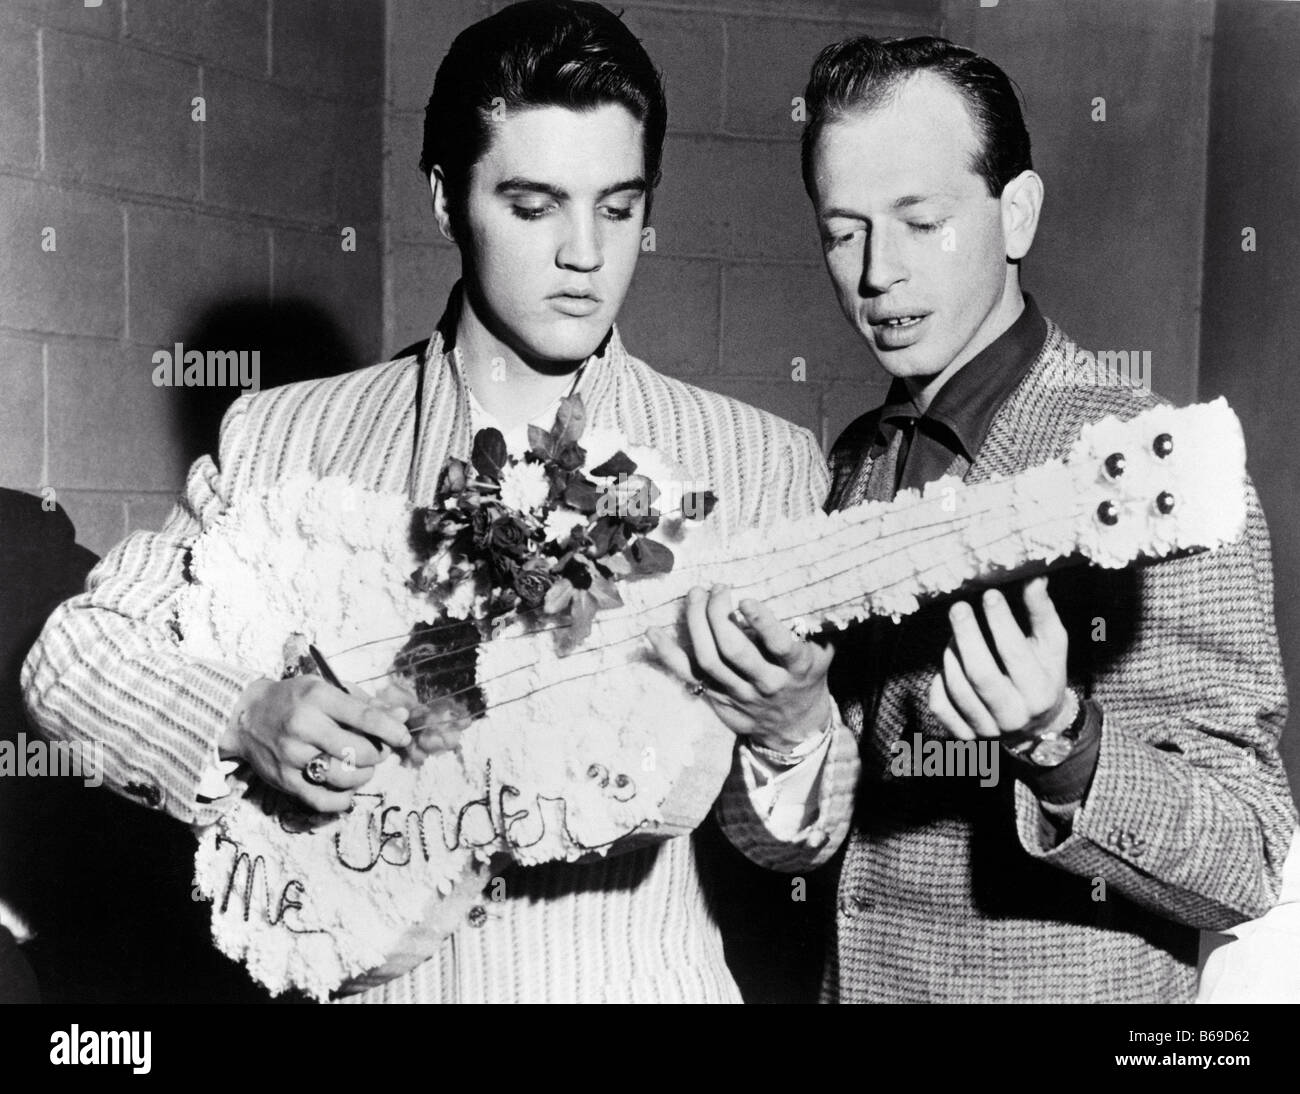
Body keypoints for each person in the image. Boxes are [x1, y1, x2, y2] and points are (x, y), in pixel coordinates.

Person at [22, 1, 837, 1004]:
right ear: (447, 199)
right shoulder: (286, 436)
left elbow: (797, 842)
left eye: (617, 207)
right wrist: (240, 718)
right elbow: (74, 653)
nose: (585, 253)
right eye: (534, 207)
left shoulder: (757, 462)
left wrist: (792, 729)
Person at [714, 35, 1297, 1002]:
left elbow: (1250, 851)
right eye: (842, 229)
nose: (877, 274)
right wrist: (789, 731)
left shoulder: (1163, 471)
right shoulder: (853, 460)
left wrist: (1063, 739)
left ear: (1015, 213)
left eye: (921, 220)